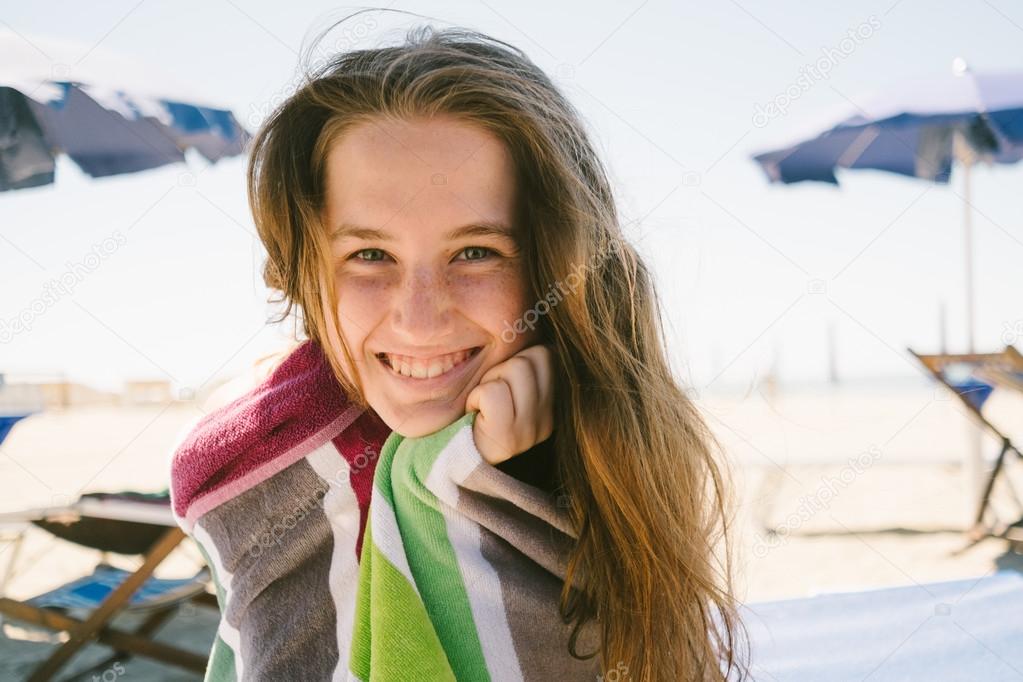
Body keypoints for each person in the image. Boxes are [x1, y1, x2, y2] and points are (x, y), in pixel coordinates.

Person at [171, 19, 749, 682]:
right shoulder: (264, 463)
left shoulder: (621, 456)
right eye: (369, 255)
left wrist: (474, 485)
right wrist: (445, 472)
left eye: (475, 252)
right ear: (308, 269)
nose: (419, 318)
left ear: (557, 266)